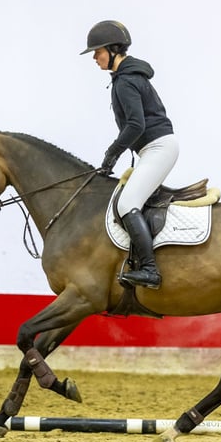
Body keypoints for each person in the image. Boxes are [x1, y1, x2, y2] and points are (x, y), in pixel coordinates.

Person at [80, 20, 179, 290]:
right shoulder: (126, 79)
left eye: (97, 51)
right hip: (154, 148)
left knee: (126, 204)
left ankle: (150, 270)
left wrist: (111, 154)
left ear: (113, 50)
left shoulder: (125, 81)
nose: (94, 58)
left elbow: (136, 125)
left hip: (158, 147)